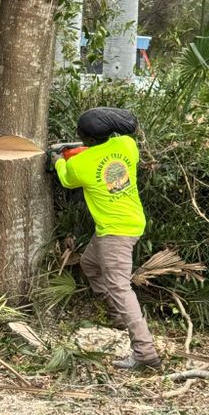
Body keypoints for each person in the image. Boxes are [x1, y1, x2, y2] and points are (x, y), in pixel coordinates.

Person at [52, 110, 161, 371]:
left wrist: (56, 159)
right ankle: (118, 317)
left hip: (115, 232)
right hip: (130, 222)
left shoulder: (80, 165)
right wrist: (77, 148)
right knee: (90, 264)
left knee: (120, 288)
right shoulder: (126, 145)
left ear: (87, 139)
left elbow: (66, 178)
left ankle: (145, 353)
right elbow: (99, 153)